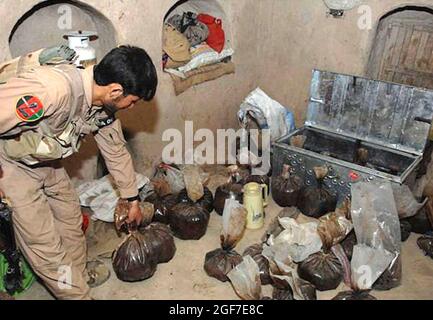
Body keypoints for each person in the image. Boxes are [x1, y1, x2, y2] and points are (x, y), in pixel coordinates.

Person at [0, 45, 158, 300]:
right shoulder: (51, 90)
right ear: (116, 90)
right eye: (133, 101)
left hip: (45, 164)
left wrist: (132, 199)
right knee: (45, 246)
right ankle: (77, 296)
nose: (131, 107)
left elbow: (115, 151)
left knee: (71, 221)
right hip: (11, 167)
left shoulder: (102, 105)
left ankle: (76, 278)